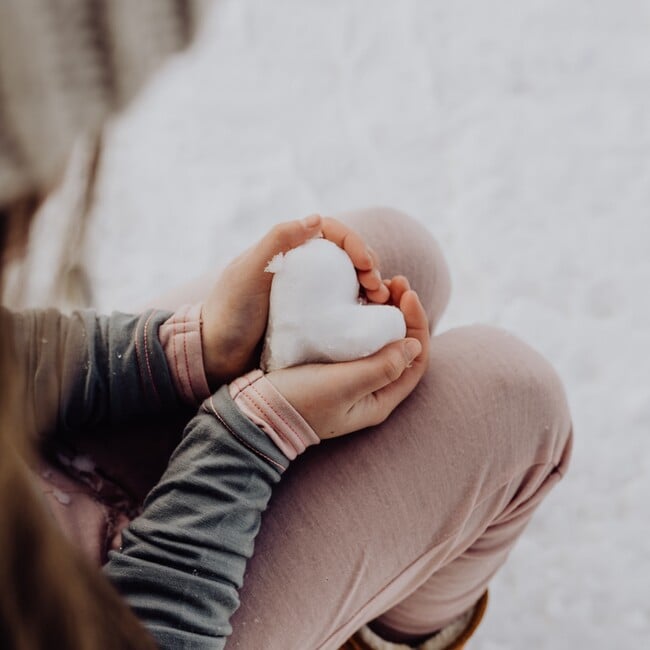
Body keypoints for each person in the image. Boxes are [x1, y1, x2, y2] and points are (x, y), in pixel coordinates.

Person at [0, 2, 573, 649]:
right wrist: (248, 440)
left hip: (41, 461)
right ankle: (380, 633)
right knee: (515, 399)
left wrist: (190, 351)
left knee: (399, 250)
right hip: (138, 623)